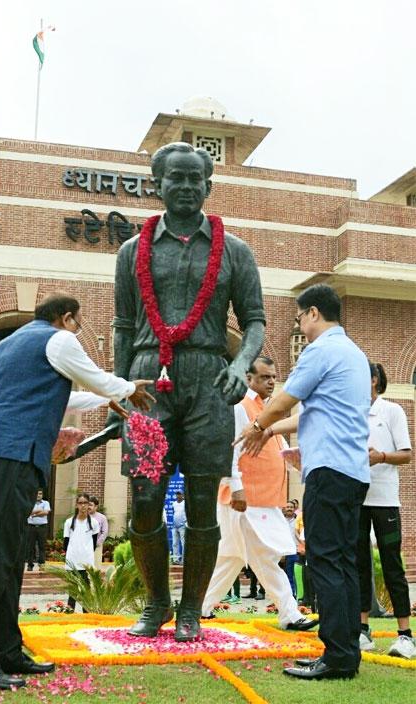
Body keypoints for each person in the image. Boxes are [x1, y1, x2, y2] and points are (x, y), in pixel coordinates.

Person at [0, 292, 154, 691]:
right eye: (78, 324)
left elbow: (64, 393)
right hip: (12, 452)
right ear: (66, 318)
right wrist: (126, 388)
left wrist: (107, 395)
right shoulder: (59, 339)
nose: (77, 332)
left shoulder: (12, 343)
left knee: (9, 555)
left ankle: (8, 649)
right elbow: (93, 375)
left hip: (3, 454)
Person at [112, 141, 266, 641]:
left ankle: (191, 610)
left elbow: (256, 320)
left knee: (203, 501)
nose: (183, 186)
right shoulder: (131, 251)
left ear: (208, 185)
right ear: (157, 183)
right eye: (173, 178)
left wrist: (241, 362)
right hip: (147, 382)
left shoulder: (235, 251)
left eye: (192, 179)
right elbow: (120, 324)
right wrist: (119, 391)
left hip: (207, 382)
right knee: (145, 495)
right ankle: (156, 603)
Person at [237, 284, 370, 680]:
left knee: (325, 562)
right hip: (352, 472)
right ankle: (347, 653)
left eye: (299, 318)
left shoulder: (320, 350)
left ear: (313, 313)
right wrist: (270, 430)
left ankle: (336, 655)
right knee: (343, 562)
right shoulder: (354, 354)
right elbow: (311, 414)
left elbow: (284, 400)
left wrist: (257, 426)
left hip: (328, 471)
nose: (300, 325)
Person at [202, 357, 317, 632]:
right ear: (249, 378)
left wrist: (294, 459)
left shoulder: (267, 409)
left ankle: (199, 609)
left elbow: (279, 446)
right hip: (245, 499)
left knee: (231, 558)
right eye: (265, 377)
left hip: (262, 499)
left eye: (273, 377)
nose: (271, 382)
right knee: (263, 557)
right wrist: (235, 484)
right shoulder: (240, 406)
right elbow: (231, 449)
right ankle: (290, 614)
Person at [356, 362, 413, 659]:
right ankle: (362, 631)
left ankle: (405, 636)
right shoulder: (351, 412)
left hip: (385, 503)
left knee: (392, 564)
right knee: (359, 565)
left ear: (375, 380)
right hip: (356, 501)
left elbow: (406, 454)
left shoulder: (392, 411)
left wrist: (381, 457)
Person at [63, 493, 99, 611]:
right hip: (72, 559)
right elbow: (66, 542)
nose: (83, 506)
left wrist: (87, 554)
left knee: (86, 588)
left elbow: (93, 542)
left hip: (86, 560)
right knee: (73, 589)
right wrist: (71, 554)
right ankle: (69, 611)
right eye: (80, 503)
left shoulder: (94, 523)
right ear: (77, 505)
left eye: (85, 503)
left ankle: (86, 612)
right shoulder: (69, 522)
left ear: (89, 505)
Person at [26, 490, 50, 572]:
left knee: (42, 546)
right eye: (37, 493)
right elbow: (27, 512)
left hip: (42, 527)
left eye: (40, 493)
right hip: (31, 527)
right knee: (30, 547)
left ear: (42, 495)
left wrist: (34, 514)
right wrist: (40, 510)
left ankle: (42, 564)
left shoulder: (46, 503)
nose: (38, 495)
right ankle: (30, 565)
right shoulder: (29, 502)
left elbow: (46, 512)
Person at [282, 500, 299, 597]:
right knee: (284, 576)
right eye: (287, 507)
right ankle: (287, 595)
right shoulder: (280, 521)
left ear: (295, 509)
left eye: (291, 507)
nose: (289, 509)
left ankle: (294, 595)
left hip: (295, 551)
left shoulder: (298, 520)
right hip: (283, 552)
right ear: (284, 509)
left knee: (294, 575)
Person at [88, 496, 108, 567]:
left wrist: (97, 543)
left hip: (97, 545)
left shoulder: (102, 518)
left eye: (90, 505)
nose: (88, 507)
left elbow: (105, 532)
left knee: (96, 567)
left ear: (96, 507)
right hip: (84, 546)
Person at [171, 492, 186, 565]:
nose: (178, 495)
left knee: (183, 543)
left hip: (182, 526)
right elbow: (174, 513)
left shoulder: (185, 503)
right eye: (177, 494)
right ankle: (176, 559)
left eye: (179, 494)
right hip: (174, 526)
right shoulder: (174, 503)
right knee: (174, 543)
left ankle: (183, 560)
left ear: (182, 495)